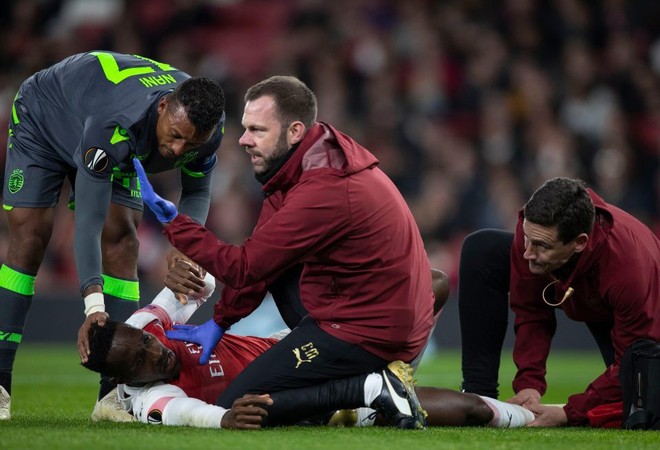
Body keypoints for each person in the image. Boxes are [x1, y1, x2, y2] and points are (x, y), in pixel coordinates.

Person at [133, 75, 436, 429]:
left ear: (294, 131)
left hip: (370, 329)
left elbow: (243, 267)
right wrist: (221, 320)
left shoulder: (322, 190)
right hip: (368, 309)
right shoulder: (304, 163)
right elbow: (261, 262)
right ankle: (362, 385)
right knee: (275, 267)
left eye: (258, 130)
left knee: (238, 406)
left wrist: (175, 223)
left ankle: (371, 387)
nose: (244, 140)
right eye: (245, 128)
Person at [0, 50, 226, 420]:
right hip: (46, 114)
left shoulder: (209, 128)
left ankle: (113, 395)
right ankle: (0, 379)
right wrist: (94, 307)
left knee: (123, 239)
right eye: (175, 136)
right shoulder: (115, 124)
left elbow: (197, 192)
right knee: (30, 236)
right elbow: (87, 220)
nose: (176, 151)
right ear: (164, 106)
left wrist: (185, 249)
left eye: (191, 145)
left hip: (106, 123)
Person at [82, 270, 534, 429]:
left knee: (432, 283)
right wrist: (224, 419)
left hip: (304, 345)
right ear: (124, 381)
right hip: (330, 401)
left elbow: (204, 285)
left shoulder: (145, 327)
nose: (155, 352)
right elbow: (192, 416)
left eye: (145, 342)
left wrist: (190, 275)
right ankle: (542, 416)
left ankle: (382, 374)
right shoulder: (150, 400)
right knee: (473, 412)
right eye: (141, 361)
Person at [458, 177, 660, 427]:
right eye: (526, 237)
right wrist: (529, 384)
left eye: (541, 245)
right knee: (482, 249)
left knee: (640, 403)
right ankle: (478, 396)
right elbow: (531, 312)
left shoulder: (629, 269)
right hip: (589, 291)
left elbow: (633, 360)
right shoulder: (532, 235)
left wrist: (569, 412)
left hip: (640, 320)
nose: (527, 253)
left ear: (579, 243)